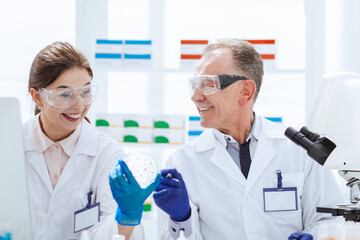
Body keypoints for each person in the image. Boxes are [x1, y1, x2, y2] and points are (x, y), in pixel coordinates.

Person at [153, 39, 344, 240]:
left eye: (208, 84)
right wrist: (181, 218)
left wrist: (315, 237)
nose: (195, 97)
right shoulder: (183, 162)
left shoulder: (298, 150)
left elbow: (330, 221)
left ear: (246, 91)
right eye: (194, 85)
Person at [25, 41, 157, 240]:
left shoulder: (106, 153)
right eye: (65, 94)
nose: (79, 105)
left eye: (85, 92)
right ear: (37, 97)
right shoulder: (9, 146)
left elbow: (111, 232)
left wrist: (126, 217)